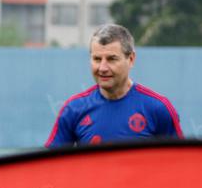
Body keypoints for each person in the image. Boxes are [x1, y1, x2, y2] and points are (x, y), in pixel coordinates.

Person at [46, 24, 183, 148]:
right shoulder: (73, 109)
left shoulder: (158, 108)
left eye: (112, 59)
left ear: (131, 59)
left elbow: (180, 163)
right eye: (97, 59)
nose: (102, 68)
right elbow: (49, 166)